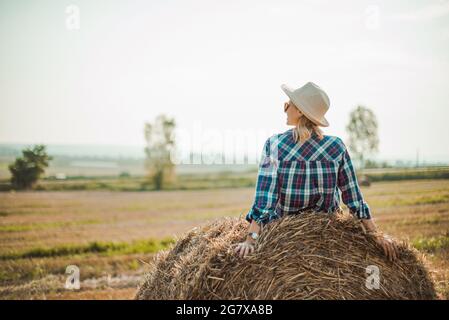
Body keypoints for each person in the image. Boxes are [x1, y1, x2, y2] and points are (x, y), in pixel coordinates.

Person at [234, 81, 398, 261]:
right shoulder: (336, 147)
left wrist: (251, 240)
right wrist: (375, 235)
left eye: (288, 104)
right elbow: (353, 198)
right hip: (328, 232)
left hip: (283, 233)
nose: (285, 108)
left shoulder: (274, 145)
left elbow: (265, 200)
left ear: (300, 111)